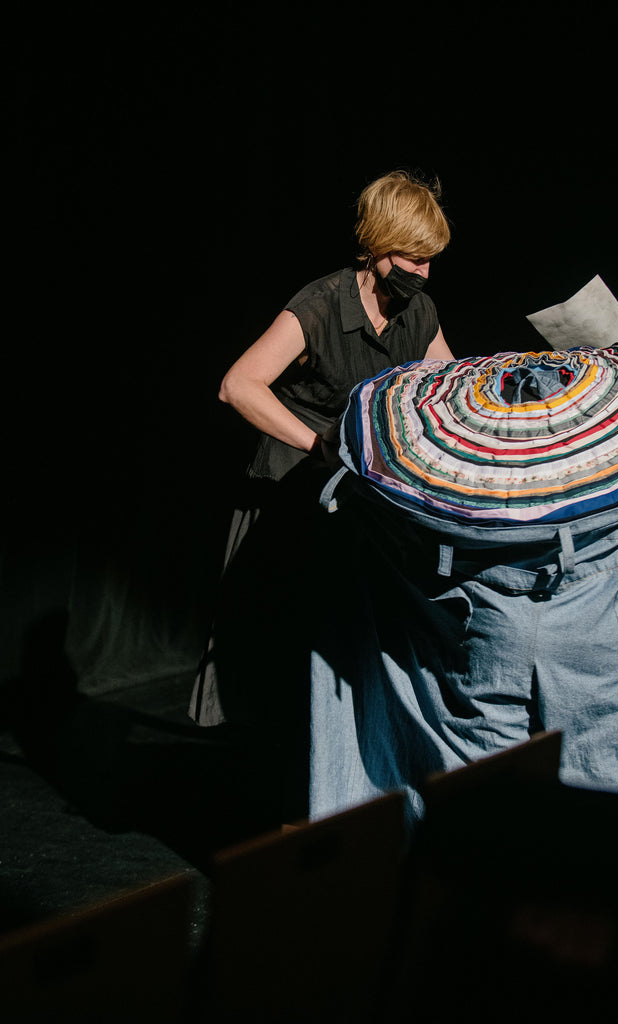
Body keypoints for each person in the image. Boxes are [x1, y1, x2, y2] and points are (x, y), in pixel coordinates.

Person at [188, 170, 453, 820]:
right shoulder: (323, 301)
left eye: (430, 260)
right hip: (289, 487)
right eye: (412, 257)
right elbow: (239, 385)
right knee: (274, 657)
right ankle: (265, 813)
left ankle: (332, 796)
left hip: (352, 498)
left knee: (341, 651)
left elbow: (446, 387)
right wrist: (319, 445)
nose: (422, 271)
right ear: (376, 245)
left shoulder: (416, 311)